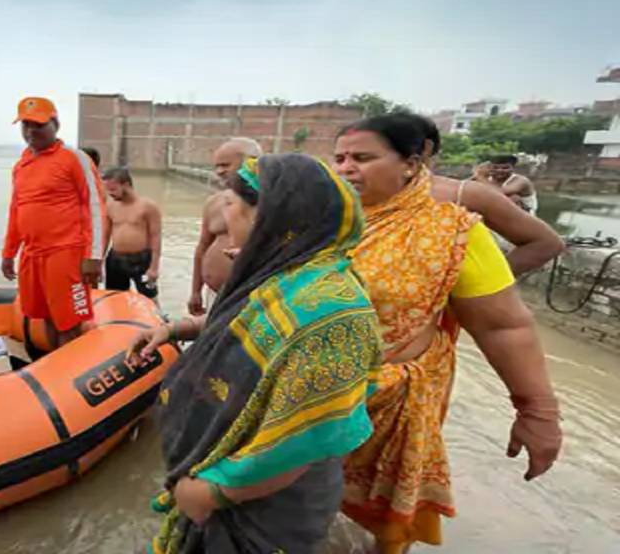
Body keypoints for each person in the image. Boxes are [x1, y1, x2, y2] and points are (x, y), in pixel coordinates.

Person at [332, 113, 563, 553]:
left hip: (385, 402)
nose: (345, 168)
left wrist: (538, 412)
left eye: (362, 158)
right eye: (340, 158)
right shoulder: (322, 214)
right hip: (307, 398)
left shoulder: (449, 227)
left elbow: (504, 324)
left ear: (411, 164)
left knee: (380, 522)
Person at [131, 154, 384, 553]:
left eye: (229, 204)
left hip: (266, 501)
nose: (220, 218)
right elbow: (247, 326)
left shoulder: (331, 316)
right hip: (227, 477)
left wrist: (213, 494)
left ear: (268, 216)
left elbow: (305, 436)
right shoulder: (283, 272)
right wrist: (174, 329)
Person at [1, 97, 106, 348]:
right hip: (32, 255)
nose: (31, 131)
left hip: (66, 253)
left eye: (38, 124)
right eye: (25, 125)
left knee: (68, 323)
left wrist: (94, 257)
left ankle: (73, 373)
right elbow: (17, 210)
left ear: (55, 124)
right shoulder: (21, 165)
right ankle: (54, 368)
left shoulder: (73, 158)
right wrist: (9, 253)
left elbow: (95, 206)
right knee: (45, 316)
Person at [421, 120, 564, 274]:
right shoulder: (488, 181)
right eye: (496, 167)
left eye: (505, 167)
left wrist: (480, 177)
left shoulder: (520, 181)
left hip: (514, 226)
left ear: (513, 168)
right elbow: (464, 187)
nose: (500, 171)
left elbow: (499, 196)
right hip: (492, 227)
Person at [188, 137, 262, 315]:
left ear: (251, 162)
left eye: (225, 165)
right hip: (213, 294)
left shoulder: (272, 202)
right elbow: (202, 247)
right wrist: (195, 291)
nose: (219, 172)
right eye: (216, 167)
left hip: (251, 297)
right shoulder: (213, 203)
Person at [101, 167, 162, 300]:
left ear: (126, 185)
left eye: (113, 190)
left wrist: (154, 267)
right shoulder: (110, 206)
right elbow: (105, 236)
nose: (110, 194)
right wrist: (98, 261)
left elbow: (156, 237)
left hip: (141, 260)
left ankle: (157, 319)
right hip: (115, 259)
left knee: (149, 298)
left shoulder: (148, 206)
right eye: (108, 190)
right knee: (114, 298)